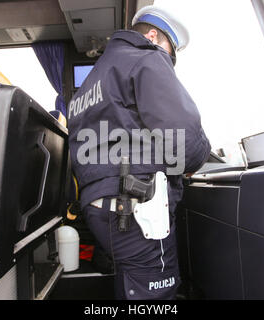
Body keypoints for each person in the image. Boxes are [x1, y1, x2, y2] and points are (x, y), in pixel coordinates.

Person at [67, 5, 210, 300]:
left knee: (132, 284)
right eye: (171, 50)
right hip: (137, 210)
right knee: (156, 296)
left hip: (99, 209)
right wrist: (196, 159)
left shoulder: (90, 82)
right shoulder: (147, 57)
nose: (170, 59)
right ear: (154, 36)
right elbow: (183, 135)